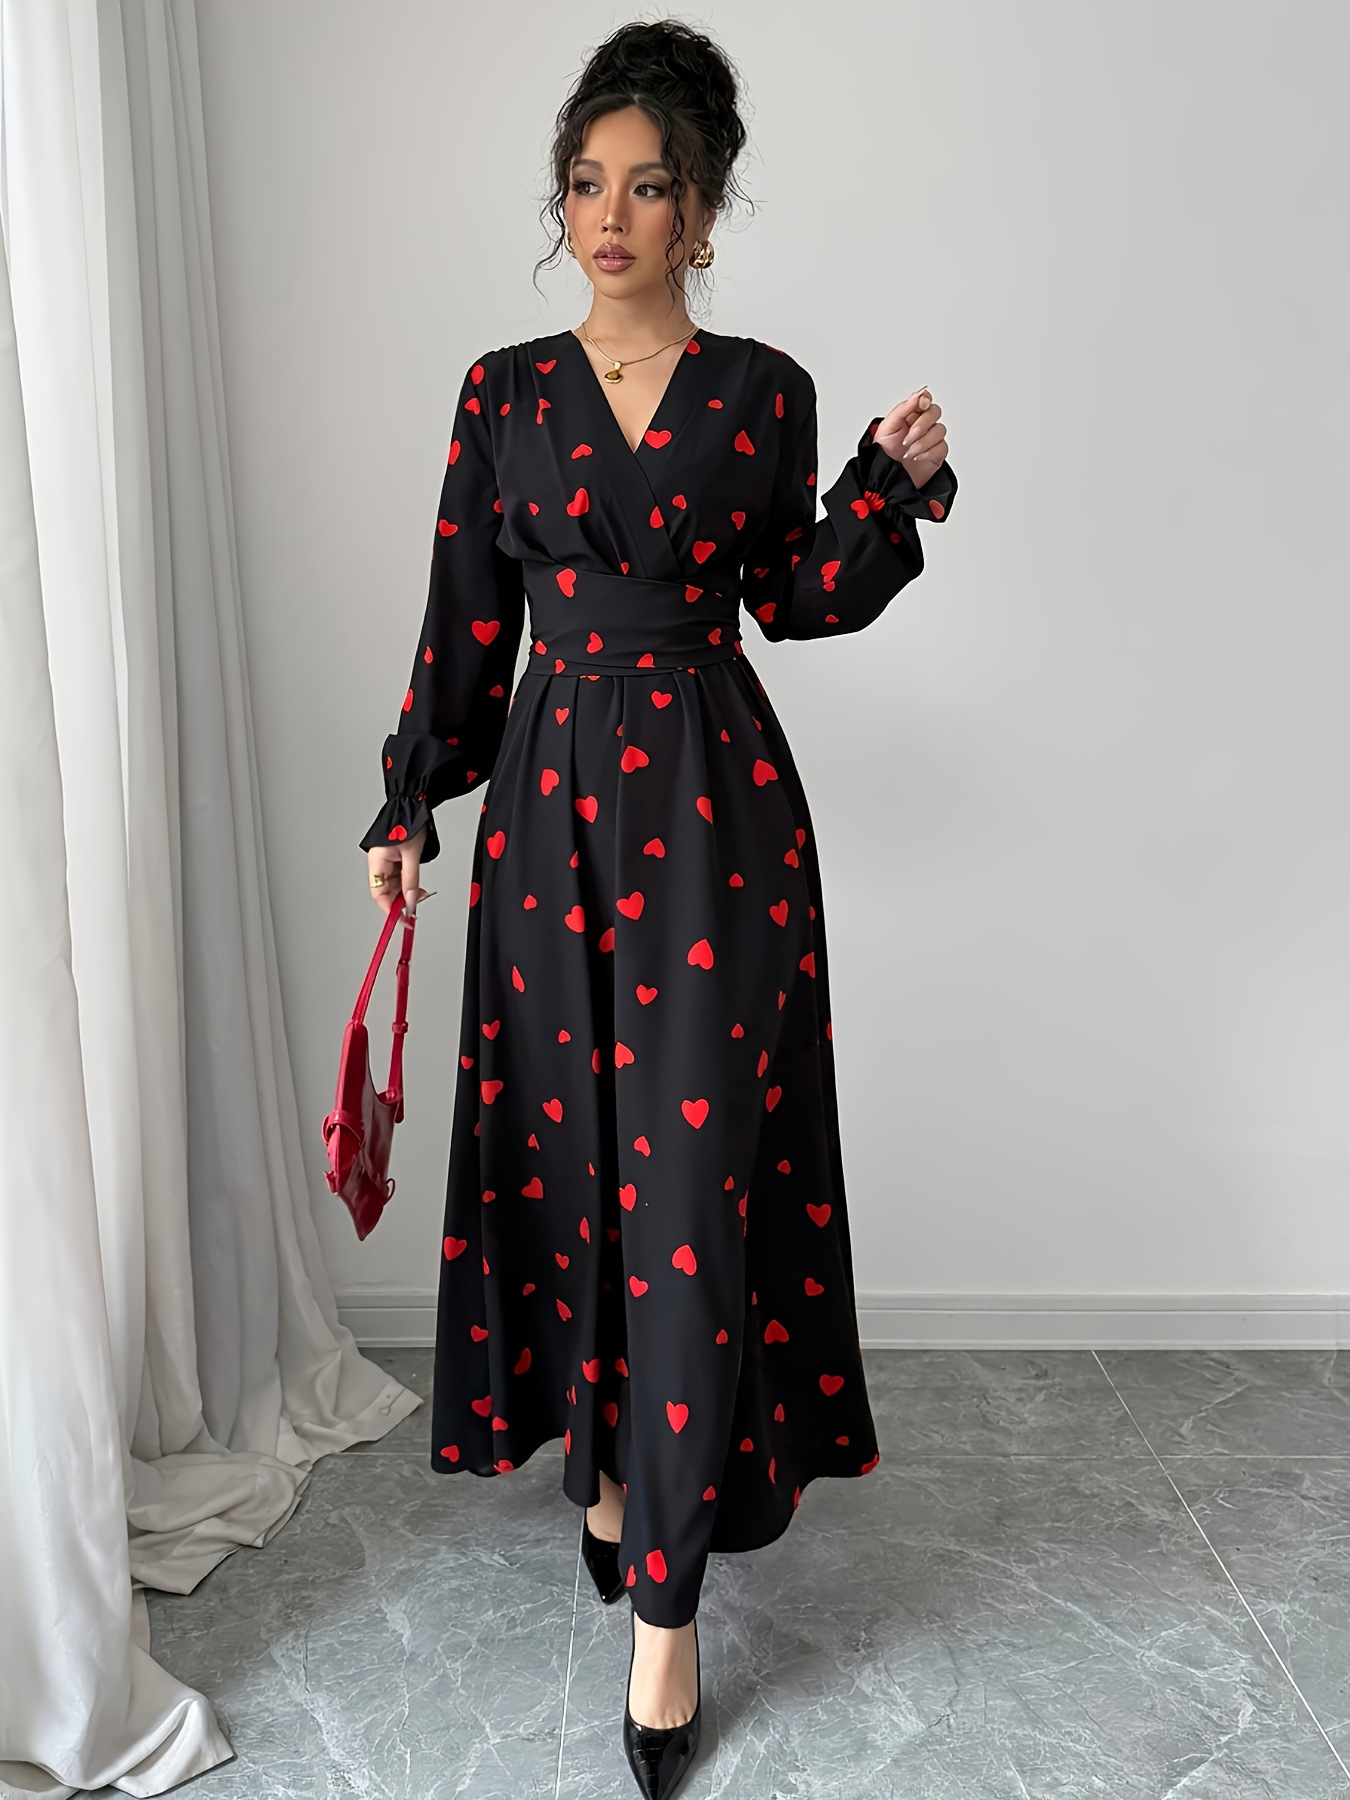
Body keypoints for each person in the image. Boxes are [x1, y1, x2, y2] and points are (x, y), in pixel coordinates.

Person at [360, 19, 957, 1797]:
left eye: (646, 187)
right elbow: (466, 617)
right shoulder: (500, 391)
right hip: (545, 820)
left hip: (715, 816)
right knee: (574, 1167)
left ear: (701, 210)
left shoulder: (761, 391)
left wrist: (885, 490)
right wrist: (410, 797)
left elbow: (800, 597)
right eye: (584, 184)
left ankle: (668, 1612)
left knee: (690, 1188)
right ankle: (616, 1468)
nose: (608, 216)